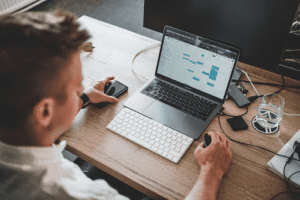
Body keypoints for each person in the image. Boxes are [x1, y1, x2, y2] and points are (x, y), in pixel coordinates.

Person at [0, 10, 232, 200]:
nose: (83, 89)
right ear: (45, 111)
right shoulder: (80, 194)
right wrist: (212, 171)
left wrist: (82, 99)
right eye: (77, 86)